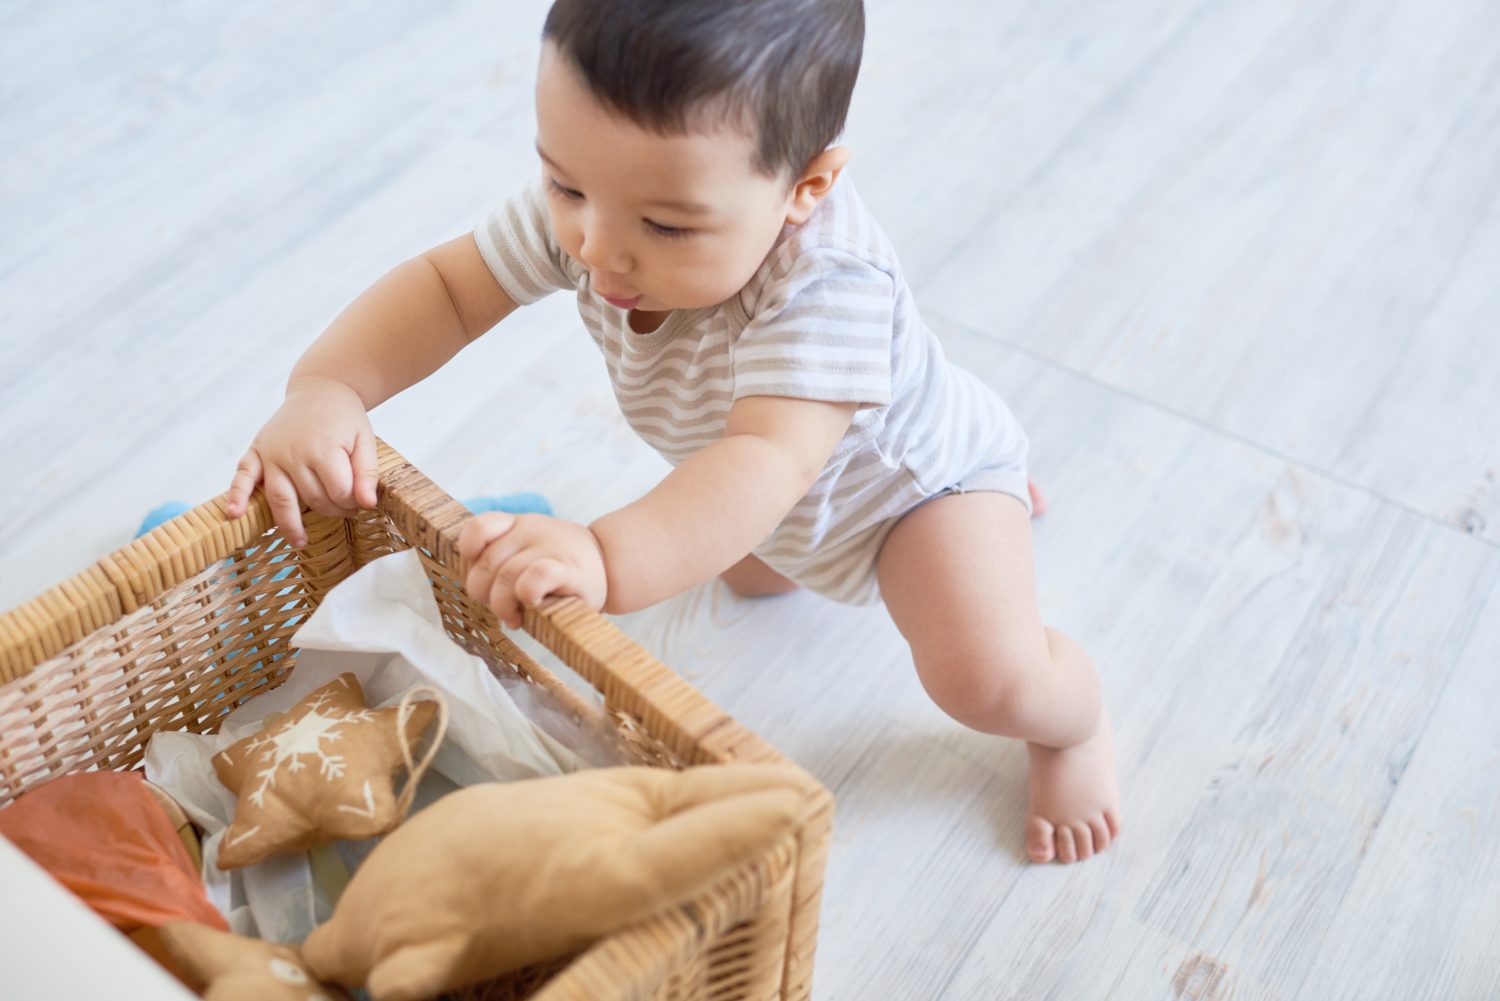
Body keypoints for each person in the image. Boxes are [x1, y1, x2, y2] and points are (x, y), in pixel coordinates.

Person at [224, 0, 1119, 865]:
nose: (597, 247)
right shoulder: (608, 201)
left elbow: (765, 460)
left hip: (910, 490)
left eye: (666, 225)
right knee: (746, 567)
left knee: (980, 675)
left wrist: (606, 557)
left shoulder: (830, 286)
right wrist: (330, 385)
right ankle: (801, 555)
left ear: (806, 188)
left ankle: (1073, 720)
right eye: (563, 182)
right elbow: (450, 287)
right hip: (770, 486)